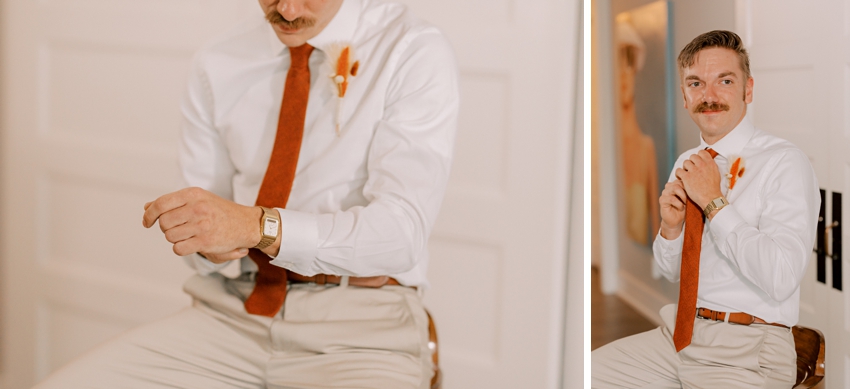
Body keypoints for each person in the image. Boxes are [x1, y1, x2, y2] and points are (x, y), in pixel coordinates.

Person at [34, 0, 458, 388]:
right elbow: (210, 225)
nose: (287, 9)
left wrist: (258, 227)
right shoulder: (217, 61)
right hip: (232, 315)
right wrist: (208, 244)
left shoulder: (412, 50)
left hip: (363, 329)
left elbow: (400, 234)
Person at [592, 30, 819, 388]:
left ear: (748, 89)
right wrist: (671, 228)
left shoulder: (784, 163)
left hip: (749, 349)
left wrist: (714, 203)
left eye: (724, 81)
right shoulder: (688, 162)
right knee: (584, 374)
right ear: (684, 95)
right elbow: (669, 271)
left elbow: (781, 277)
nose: (708, 96)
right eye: (696, 83)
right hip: (680, 337)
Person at [615, 17, 660, 246]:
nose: (624, 74)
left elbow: (659, 235)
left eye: (629, 63)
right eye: (617, 64)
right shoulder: (607, 150)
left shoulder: (645, 147)